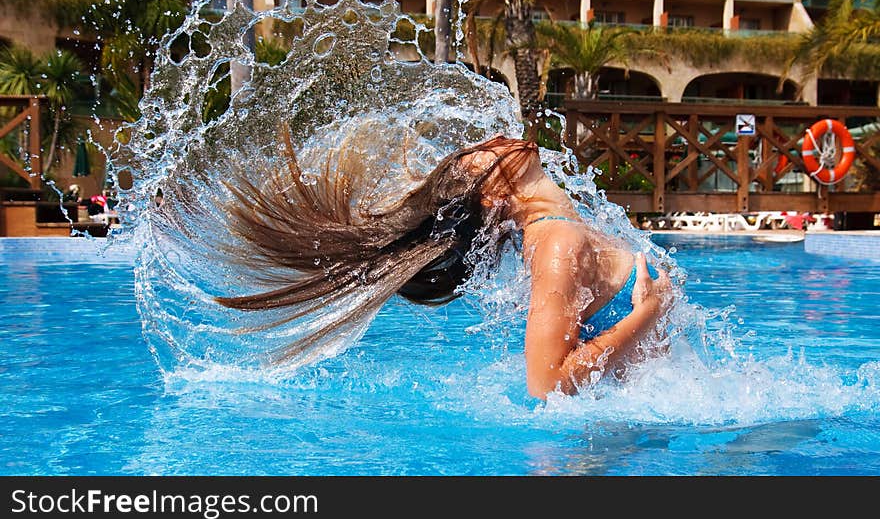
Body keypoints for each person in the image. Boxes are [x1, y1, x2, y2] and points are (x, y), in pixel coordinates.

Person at [214, 130, 673, 399]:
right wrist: (646, 315)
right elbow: (546, 383)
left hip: (628, 437)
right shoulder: (558, 246)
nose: (493, 139)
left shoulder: (566, 228)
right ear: (493, 195)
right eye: (478, 156)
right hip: (586, 456)